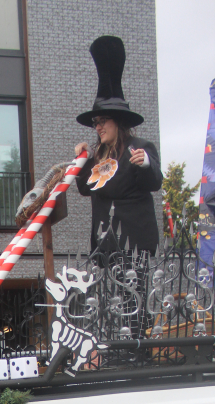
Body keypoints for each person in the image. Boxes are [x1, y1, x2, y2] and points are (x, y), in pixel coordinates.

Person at [74, 35, 162, 255]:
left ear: (118, 121)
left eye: (103, 121)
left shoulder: (139, 147)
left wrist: (146, 164)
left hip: (134, 248)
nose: (98, 127)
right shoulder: (99, 156)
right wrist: (82, 161)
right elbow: (86, 188)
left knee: (131, 291)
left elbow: (154, 182)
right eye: (96, 123)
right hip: (104, 246)